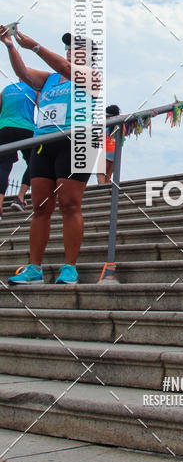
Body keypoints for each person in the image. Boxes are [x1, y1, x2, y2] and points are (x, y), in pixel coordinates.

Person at [0, 28, 100, 284]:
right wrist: (11, 46)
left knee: (69, 204)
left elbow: (67, 69)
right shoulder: (50, 79)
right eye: (69, 47)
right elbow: (23, 73)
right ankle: (34, 268)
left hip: (77, 140)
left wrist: (36, 47)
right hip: (44, 141)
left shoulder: (92, 76)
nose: (71, 50)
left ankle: (70, 267)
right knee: (40, 207)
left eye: (78, 47)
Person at [0, 80, 37, 217]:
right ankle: (20, 198)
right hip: (26, 128)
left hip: (4, 128)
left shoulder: (6, 89)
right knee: (34, 162)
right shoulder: (34, 90)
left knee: (3, 166)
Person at [97, 105, 120, 185]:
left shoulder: (107, 124)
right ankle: (107, 191)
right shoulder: (120, 124)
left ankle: (102, 192)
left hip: (106, 150)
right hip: (117, 152)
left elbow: (100, 137)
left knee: (100, 173)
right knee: (108, 176)